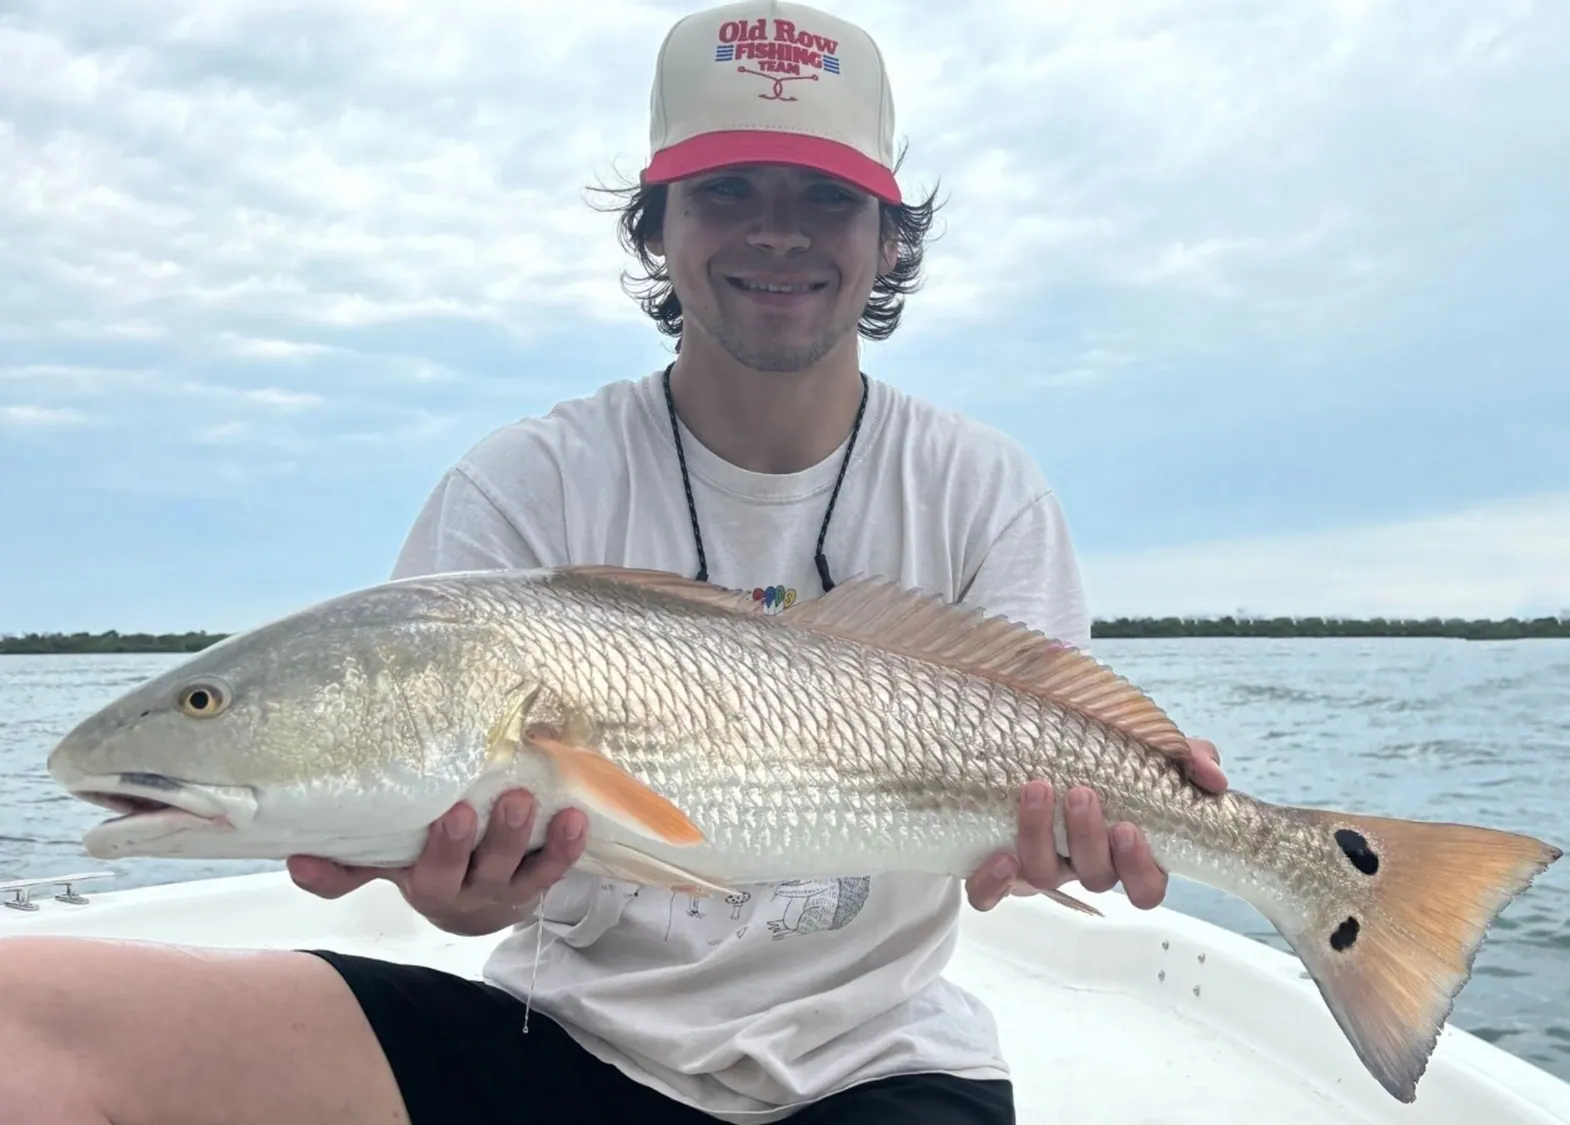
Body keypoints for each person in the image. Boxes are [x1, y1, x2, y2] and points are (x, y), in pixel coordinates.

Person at [0, 2, 1226, 1122]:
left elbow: (1045, 762)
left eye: (824, 198)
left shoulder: (981, 487)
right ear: (655, 225)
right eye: (725, 191)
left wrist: (1090, 825)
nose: (777, 234)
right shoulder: (520, 485)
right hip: (567, 1037)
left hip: (884, 1061)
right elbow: (448, 872)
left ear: (888, 235)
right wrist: (462, 895)